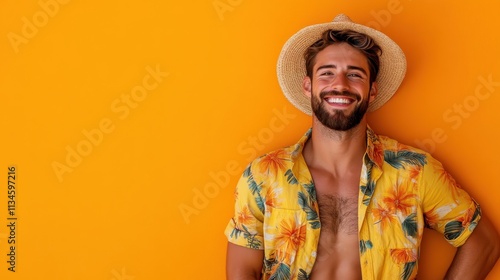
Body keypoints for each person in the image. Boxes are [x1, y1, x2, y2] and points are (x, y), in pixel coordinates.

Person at [224, 14, 500, 280]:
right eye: (327, 73)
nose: (340, 85)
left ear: (372, 90)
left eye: (354, 75)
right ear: (308, 86)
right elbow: (242, 271)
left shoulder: (414, 171)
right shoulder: (263, 175)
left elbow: (483, 242)